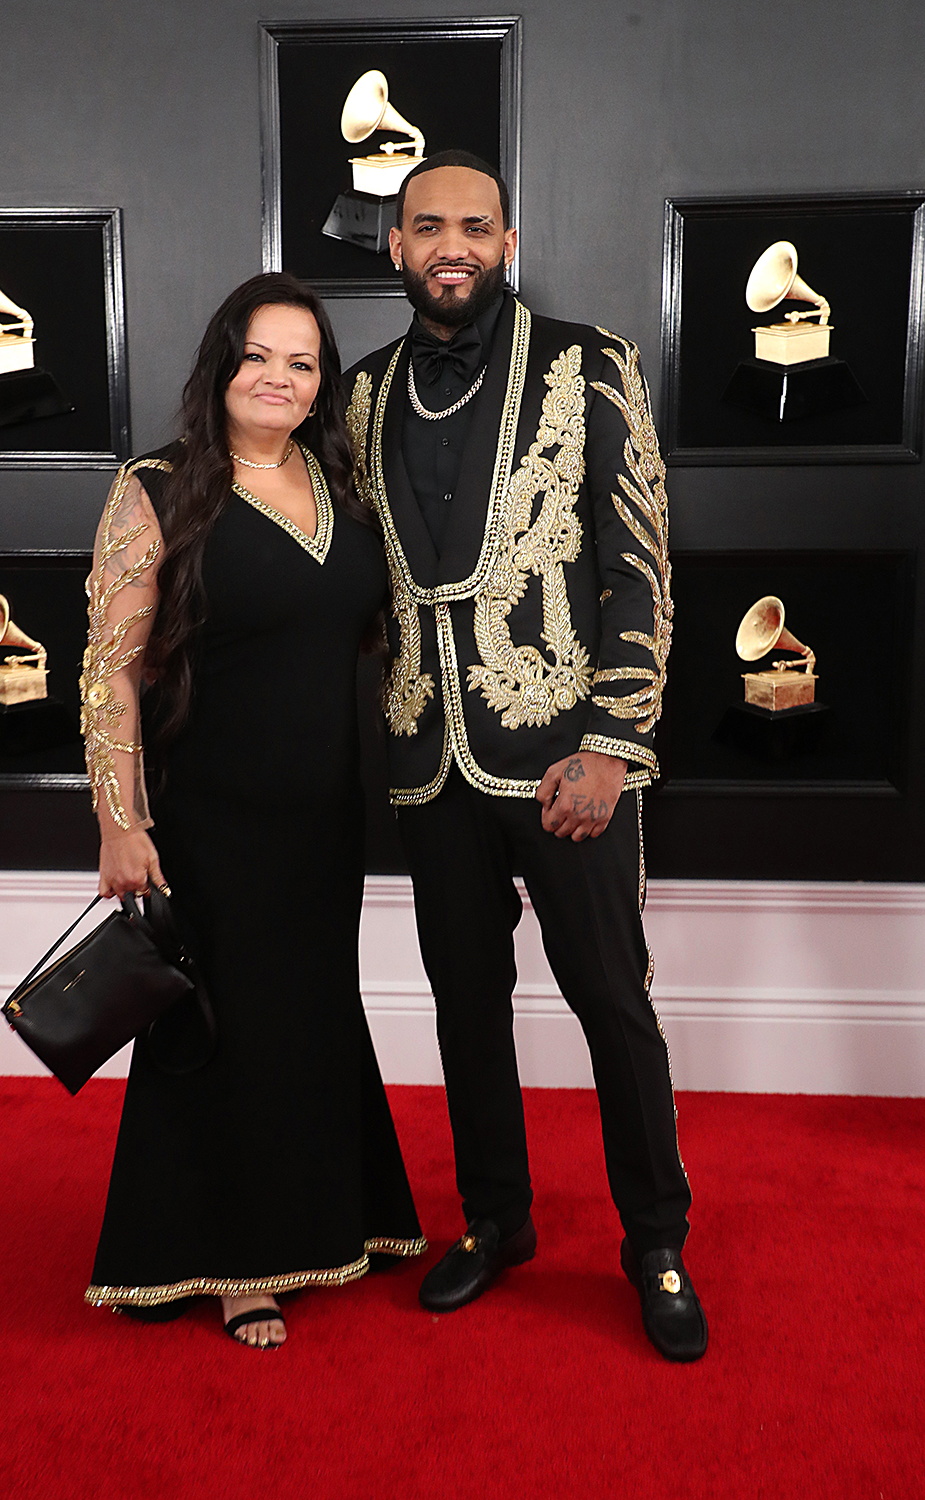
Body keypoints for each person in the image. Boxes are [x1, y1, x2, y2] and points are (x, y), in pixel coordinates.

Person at [342, 151, 707, 1361]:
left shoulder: (588, 360)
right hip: (424, 762)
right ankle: (495, 1222)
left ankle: (654, 1241)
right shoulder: (355, 394)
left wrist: (614, 745)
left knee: (613, 1002)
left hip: (568, 761)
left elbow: (638, 563)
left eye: (475, 226)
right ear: (394, 245)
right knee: (464, 1008)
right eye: (427, 225)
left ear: (508, 239)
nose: (452, 244)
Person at [80, 272, 425, 1349]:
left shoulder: (343, 487)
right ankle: (238, 1263)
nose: (278, 377)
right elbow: (109, 672)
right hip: (210, 818)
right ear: (222, 364)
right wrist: (119, 821)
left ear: (321, 384)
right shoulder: (161, 485)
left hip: (325, 816)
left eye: (302, 361)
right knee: (227, 1032)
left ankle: (333, 1216)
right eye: (258, 355)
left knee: (311, 1015)